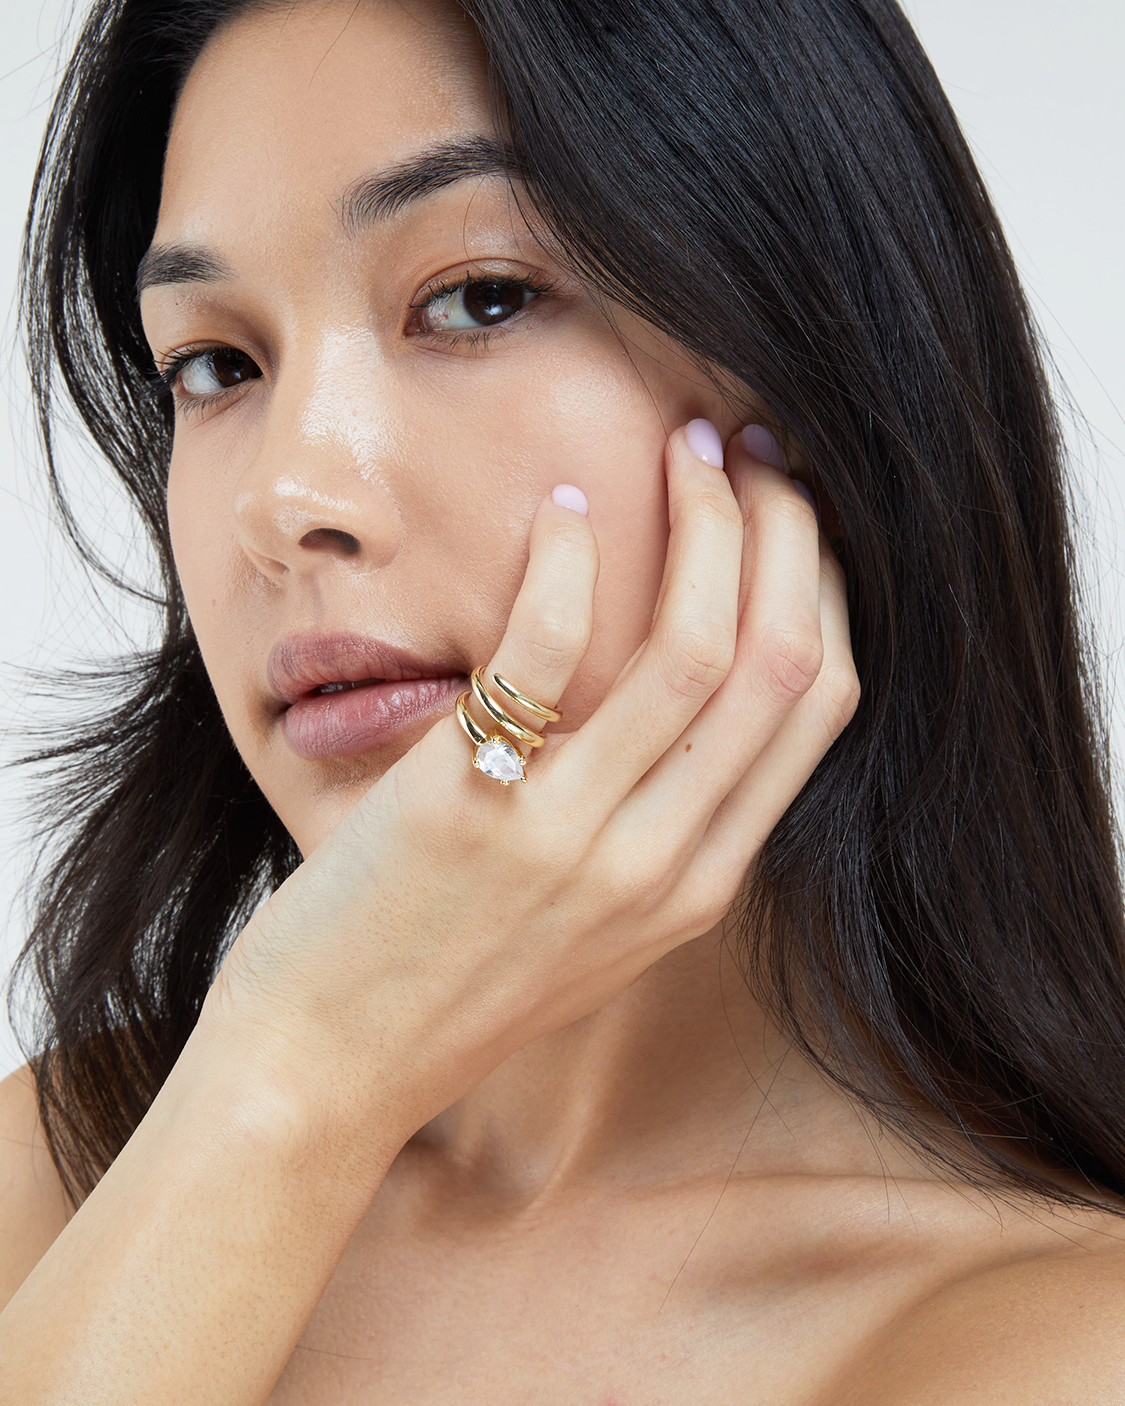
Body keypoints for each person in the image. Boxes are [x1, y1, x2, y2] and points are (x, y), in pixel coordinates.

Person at [2, 0, 1124, 1397]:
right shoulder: (64, 1179)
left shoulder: (1053, 1344)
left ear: (822, 391)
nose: (286, 500)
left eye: (480, 296)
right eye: (216, 364)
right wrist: (293, 1077)